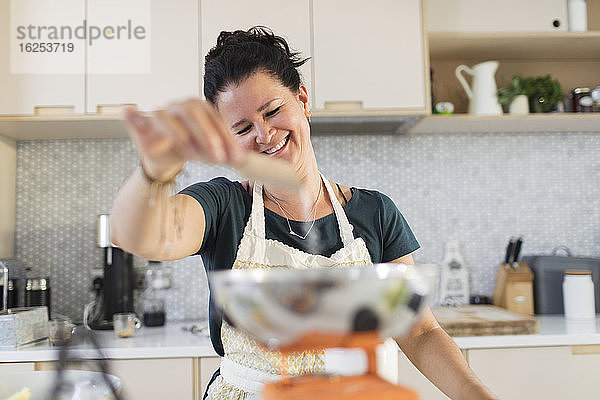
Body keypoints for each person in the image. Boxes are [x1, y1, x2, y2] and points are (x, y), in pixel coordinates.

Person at [110, 26, 497, 400]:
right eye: (242, 128)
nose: (264, 135)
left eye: (273, 110)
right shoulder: (224, 207)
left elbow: (418, 331)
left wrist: (477, 394)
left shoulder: (374, 213)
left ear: (303, 100)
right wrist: (154, 169)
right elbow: (137, 237)